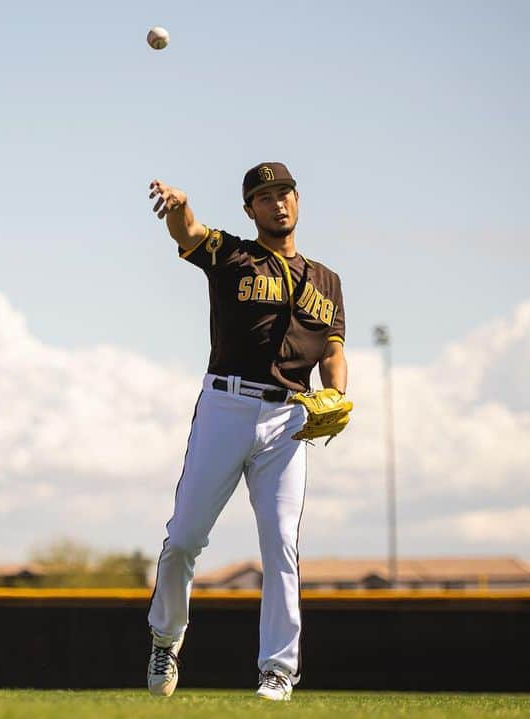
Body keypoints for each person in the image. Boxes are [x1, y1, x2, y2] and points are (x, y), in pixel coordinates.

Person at [145, 162, 349, 701]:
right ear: (249, 210)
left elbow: (332, 348)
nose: (277, 203)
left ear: (298, 201)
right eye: (265, 196)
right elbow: (188, 234)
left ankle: (278, 671)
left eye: (284, 193)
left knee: (281, 544)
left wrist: (338, 393)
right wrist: (180, 204)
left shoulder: (326, 281)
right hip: (226, 407)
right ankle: (166, 637)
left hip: (289, 419)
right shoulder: (233, 255)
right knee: (184, 538)